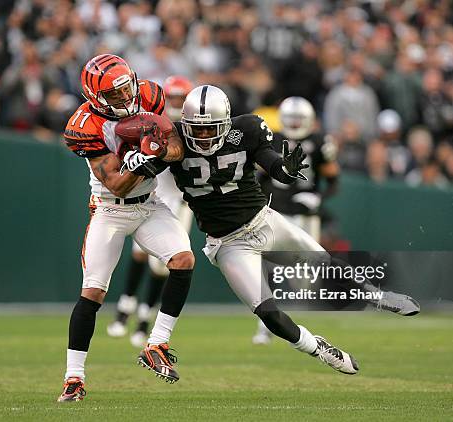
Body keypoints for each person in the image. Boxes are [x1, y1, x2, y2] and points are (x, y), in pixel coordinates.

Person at [138, 84, 362, 381]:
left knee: (325, 266)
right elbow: (143, 166)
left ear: (226, 123)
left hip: (263, 220)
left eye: (211, 129)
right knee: (269, 314)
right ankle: (319, 348)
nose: (204, 136)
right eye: (198, 129)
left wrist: (286, 171)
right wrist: (138, 159)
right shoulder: (173, 138)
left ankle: (378, 295)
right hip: (226, 243)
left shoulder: (246, 130)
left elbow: (273, 165)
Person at [57, 55, 195, 401]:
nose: (126, 96)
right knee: (94, 292)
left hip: (150, 205)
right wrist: (146, 159)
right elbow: (117, 184)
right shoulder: (84, 125)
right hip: (110, 209)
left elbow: (175, 147)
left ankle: (157, 344)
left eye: (126, 87)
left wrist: (158, 150)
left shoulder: (148, 94)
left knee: (183, 260)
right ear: (96, 98)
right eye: (115, 94)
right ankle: (74, 379)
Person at [107, 75, 194, 348]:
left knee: (164, 265)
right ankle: (125, 307)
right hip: (156, 194)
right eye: (174, 98)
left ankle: (144, 316)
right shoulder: (152, 118)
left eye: (182, 99)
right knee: (138, 254)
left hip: (179, 200)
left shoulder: (193, 127)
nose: (177, 104)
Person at [255, 96, 340, 345]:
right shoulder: (271, 139)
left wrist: (318, 198)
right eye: (290, 119)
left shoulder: (319, 142)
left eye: (298, 120)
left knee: (303, 281)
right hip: (276, 209)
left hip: (305, 212)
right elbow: (259, 175)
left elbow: (333, 180)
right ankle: (264, 323)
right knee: (267, 264)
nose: (293, 125)